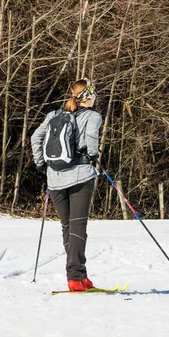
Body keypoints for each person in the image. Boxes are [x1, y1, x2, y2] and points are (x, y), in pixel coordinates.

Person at [31, 78, 103, 291]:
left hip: (55, 178)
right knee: (78, 225)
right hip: (80, 177)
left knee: (68, 226)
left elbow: (36, 137)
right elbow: (90, 139)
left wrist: (41, 165)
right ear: (88, 96)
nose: (96, 97)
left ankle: (80, 274)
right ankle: (74, 277)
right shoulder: (93, 116)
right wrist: (92, 155)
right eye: (94, 93)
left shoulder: (53, 115)